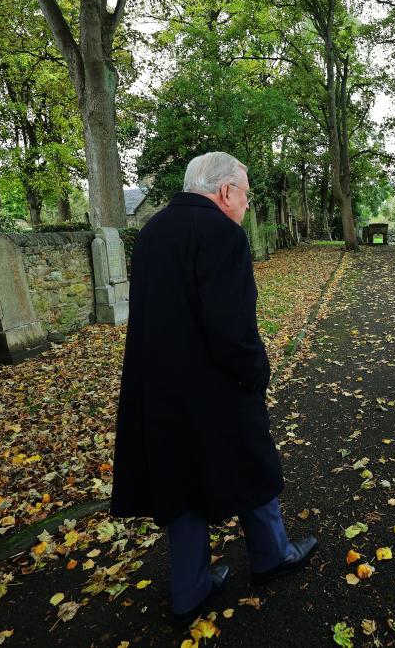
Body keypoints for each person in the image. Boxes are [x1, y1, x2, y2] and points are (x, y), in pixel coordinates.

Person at [111, 152, 317, 627]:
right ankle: (271, 555)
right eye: (245, 195)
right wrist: (254, 373)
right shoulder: (222, 234)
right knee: (252, 460)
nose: (246, 205)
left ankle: (190, 591)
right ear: (226, 192)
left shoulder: (151, 233)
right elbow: (231, 326)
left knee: (180, 478)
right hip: (215, 385)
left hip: (158, 387)